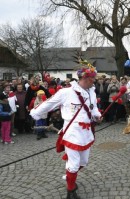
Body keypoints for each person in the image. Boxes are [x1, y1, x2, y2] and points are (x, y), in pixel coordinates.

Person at [30, 60, 102, 199]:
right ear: (85, 78)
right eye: (93, 79)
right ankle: (71, 190)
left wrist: (97, 116)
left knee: (83, 162)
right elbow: (49, 103)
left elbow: (93, 108)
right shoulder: (66, 92)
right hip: (73, 132)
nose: (95, 82)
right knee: (74, 164)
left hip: (87, 132)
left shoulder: (92, 91)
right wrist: (35, 113)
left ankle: (70, 174)